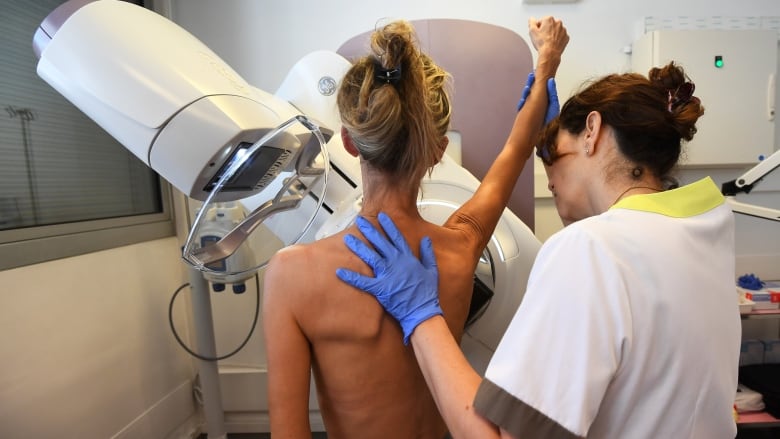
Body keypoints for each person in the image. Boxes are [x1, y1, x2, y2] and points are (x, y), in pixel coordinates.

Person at [338, 62, 742, 438]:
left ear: (593, 130)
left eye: (554, 157)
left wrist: (421, 314)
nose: (549, 177)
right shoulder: (703, 232)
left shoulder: (591, 249)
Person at [262, 17, 568, 438]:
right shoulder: (461, 249)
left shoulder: (290, 276)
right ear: (439, 151)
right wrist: (547, 59)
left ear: (349, 141)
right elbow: (515, 150)